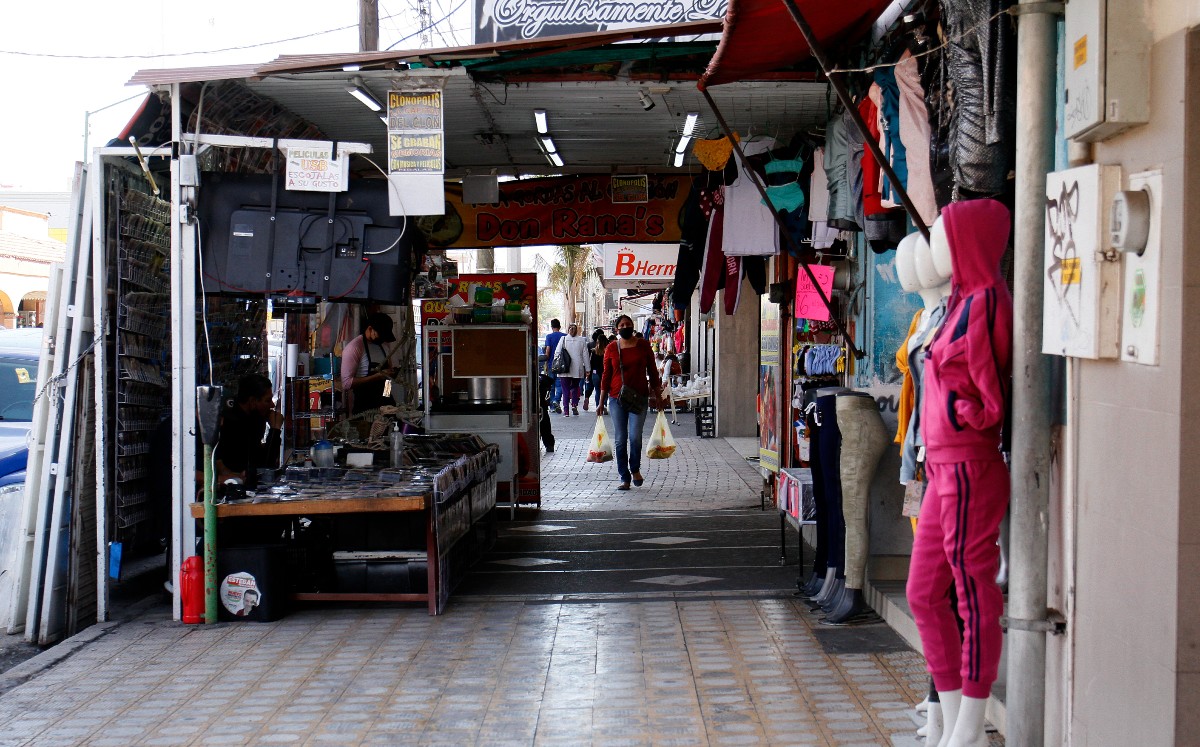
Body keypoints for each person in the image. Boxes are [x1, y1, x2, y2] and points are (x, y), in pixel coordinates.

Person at [597, 314, 664, 490]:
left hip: (639, 398)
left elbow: (653, 371)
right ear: (617, 329)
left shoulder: (643, 345)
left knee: (635, 437)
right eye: (622, 325)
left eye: (628, 324)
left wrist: (658, 396)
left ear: (632, 326)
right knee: (620, 439)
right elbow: (606, 376)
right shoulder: (612, 348)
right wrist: (601, 402)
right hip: (616, 398)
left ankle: (635, 469)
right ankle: (624, 476)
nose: (625, 327)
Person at [215, 374, 283, 489]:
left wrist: (274, 430)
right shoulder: (231, 424)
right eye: (267, 400)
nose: (272, 405)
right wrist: (275, 429)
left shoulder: (255, 419)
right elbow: (265, 464)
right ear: (252, 401)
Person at [341, 312, 397, 415]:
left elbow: (388, 378)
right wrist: (376, 376)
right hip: (364, 407)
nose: (382, 339)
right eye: (380, 335)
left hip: (385, 405)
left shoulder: (384, 346)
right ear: (370, 329)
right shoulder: (355, 347)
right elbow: (346, 383)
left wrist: (387, 396)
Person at [555, 323, 589, 417]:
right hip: (577, 368)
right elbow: (585, 356)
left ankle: (566, 411)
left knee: (565, 390)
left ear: (568, 330)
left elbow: (557, 353)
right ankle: (574, 405)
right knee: (575, 387)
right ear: (577, 330)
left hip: (565, 369)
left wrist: (556, 365)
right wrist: (588, 369)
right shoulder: (581, 340)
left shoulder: (563, 339)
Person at [543, 319, 565, 414]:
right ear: (559, 327)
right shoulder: (564, 336)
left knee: (551, 386)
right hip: (562, 365)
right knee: (560, 385)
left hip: (551, 364)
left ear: (552, 327)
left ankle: (552, 406)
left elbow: (548, 350)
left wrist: (546, 361)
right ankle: (557, 401)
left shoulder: (549, 337)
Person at [582, 328, 606, 411]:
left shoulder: (591, 348)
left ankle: (589, 399)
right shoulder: (606, 350)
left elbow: (589, 360)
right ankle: (603, 405)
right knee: (603, 390)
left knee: (592, 387)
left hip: (594, 372)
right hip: (604, 372)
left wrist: (588, 371)